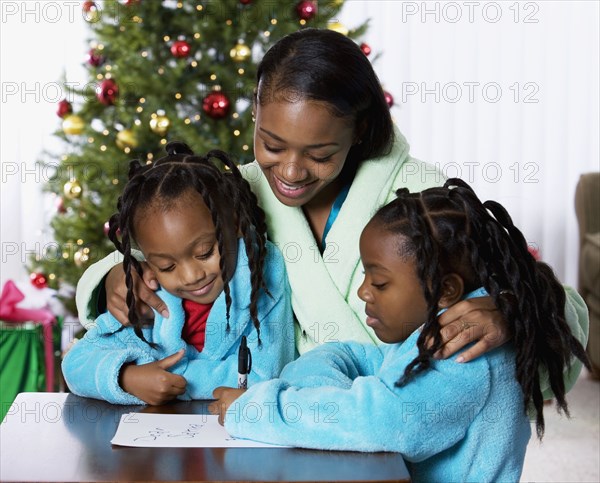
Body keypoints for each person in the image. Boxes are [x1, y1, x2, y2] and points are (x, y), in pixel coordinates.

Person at [75, 28, 588, 394]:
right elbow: (154, 252)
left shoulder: (421, 192)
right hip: (288, 420)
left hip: (407, 420)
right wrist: (119, 278)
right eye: (271, 144)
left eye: (320, 155)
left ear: (359, 131)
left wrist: (508, 311)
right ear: (254, 114)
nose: (291, 171)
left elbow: (553, 301)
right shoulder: (229, 194)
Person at [209, 179, 591, 482]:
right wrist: (326, 378)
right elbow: (365, 358)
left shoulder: (466, 352)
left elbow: (382, 421)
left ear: (445, 290)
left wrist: (256, 408)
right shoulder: (438, 327)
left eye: (380, 282)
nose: (363, 291)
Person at [62, 143, 294, 405]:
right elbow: (76, 363)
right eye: (167, 266)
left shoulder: (260, 275)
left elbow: (267, 373)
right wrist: (127, 377)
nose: (191, 275)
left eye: (205, 253)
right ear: (148, 260)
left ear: (236, 224)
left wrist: (177, 378)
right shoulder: (150, 294)